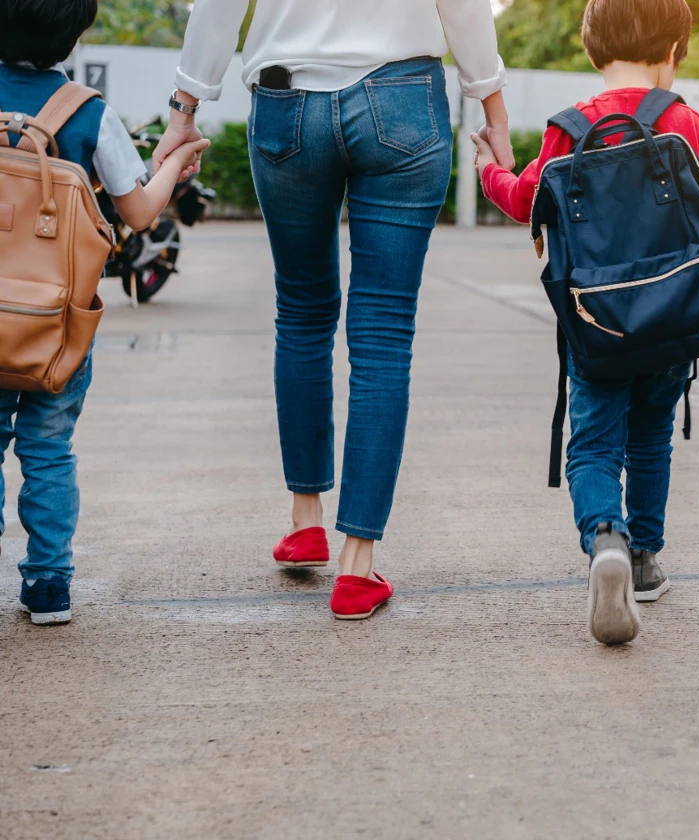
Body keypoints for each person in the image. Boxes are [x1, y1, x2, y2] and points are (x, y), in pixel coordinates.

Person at [155, 0, 513, 620]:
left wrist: (184, 111)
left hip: (286, 102)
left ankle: (305, 522)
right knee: (382, 335)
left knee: (300, 314)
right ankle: (356, 566)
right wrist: (494, 110)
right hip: (402, 100)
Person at [473, 0, 699, 643]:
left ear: (594, 50)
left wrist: (490, 168)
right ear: (674, 50)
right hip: (673, 319)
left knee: (593, 444)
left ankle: (605, 540)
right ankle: (645, 561)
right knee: (651, 436)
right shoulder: (684, 125)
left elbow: (522, 201)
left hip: (596, 325)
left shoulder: (567, 130)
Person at [0, 0, 208, 625]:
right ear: (75, 31)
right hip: (55, 327)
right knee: (48, 450)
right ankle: (48, 586)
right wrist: (175, 160)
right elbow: (140, 213)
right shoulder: (86, 112)